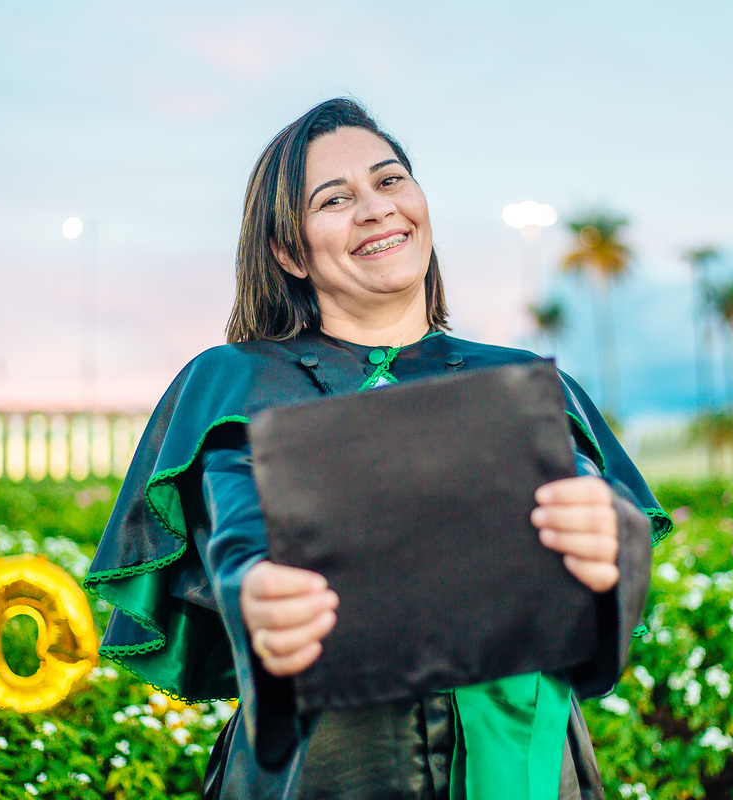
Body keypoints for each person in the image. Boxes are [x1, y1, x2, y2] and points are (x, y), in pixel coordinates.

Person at [84, 98, 670, 800]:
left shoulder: (521, 383)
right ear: (288, 251)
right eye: (334, 199)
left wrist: (608, 540)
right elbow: (236, 530)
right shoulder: (236, 381)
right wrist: (258, 595)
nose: (375, 208)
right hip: (321, 767)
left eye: (390, 180)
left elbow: (590, 529)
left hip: (526, 763)